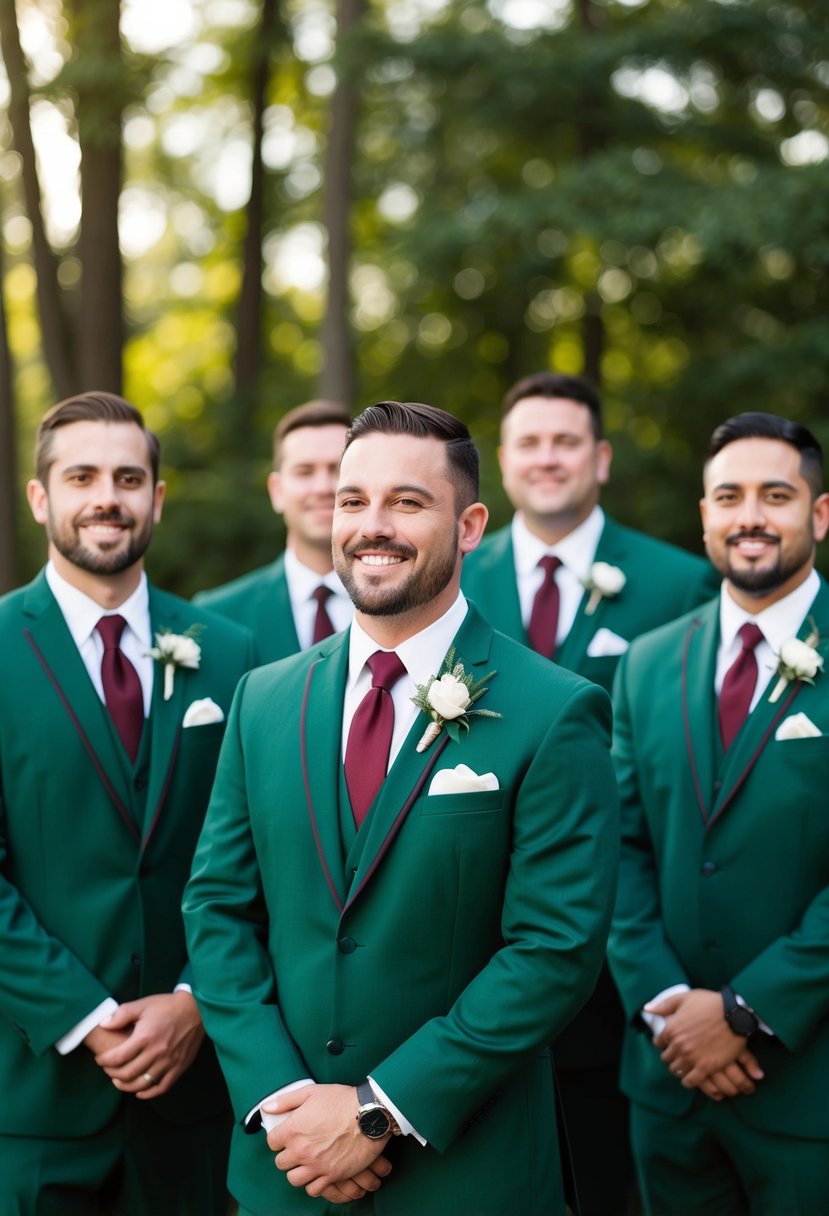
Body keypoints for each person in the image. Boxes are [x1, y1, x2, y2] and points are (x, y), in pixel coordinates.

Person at [183, 399, 620, 1216]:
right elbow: (215, 909)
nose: (370, 525)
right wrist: (282, 1100)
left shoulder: (555, 710)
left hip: (469, 1174)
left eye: (407, 502)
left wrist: (380, 1110)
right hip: (287, 1172)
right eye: (353, 501)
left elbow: (554, 949)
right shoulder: (264, 698)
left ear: (468, 525)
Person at [462, 370, 718, 1216]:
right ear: (501, 463)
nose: (547, 459)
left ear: (600, 458)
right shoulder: (455, 579)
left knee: (617, 1185)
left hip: (628, 948)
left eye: (565, 442)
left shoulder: (677, 584)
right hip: (482, 939)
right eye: (528, 443)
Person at [0, 391, 255, 1215]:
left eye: (128, 477)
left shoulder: (233, 655)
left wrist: (193, 1003)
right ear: (41, 498)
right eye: (81, 477)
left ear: (157, 497)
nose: (106, 496)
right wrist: (86, 1015)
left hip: (198, 1101)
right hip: (33, 1099)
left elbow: (262, 858)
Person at [608, 412, 829, 1215]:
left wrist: (746, 1010)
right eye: (727, 497)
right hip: (669, 1086)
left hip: (809, 1088)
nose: (749, 517)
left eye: (776, 495)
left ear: (819, 513)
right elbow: (619, 849)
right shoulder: (646, 662)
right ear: (703, 514)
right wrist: (668, 1009)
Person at [195, 400, 353, 663]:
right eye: (304, 472)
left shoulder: (405, 605)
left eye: (338, 470)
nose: (323, 487)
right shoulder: (215, 616)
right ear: (276, 491)